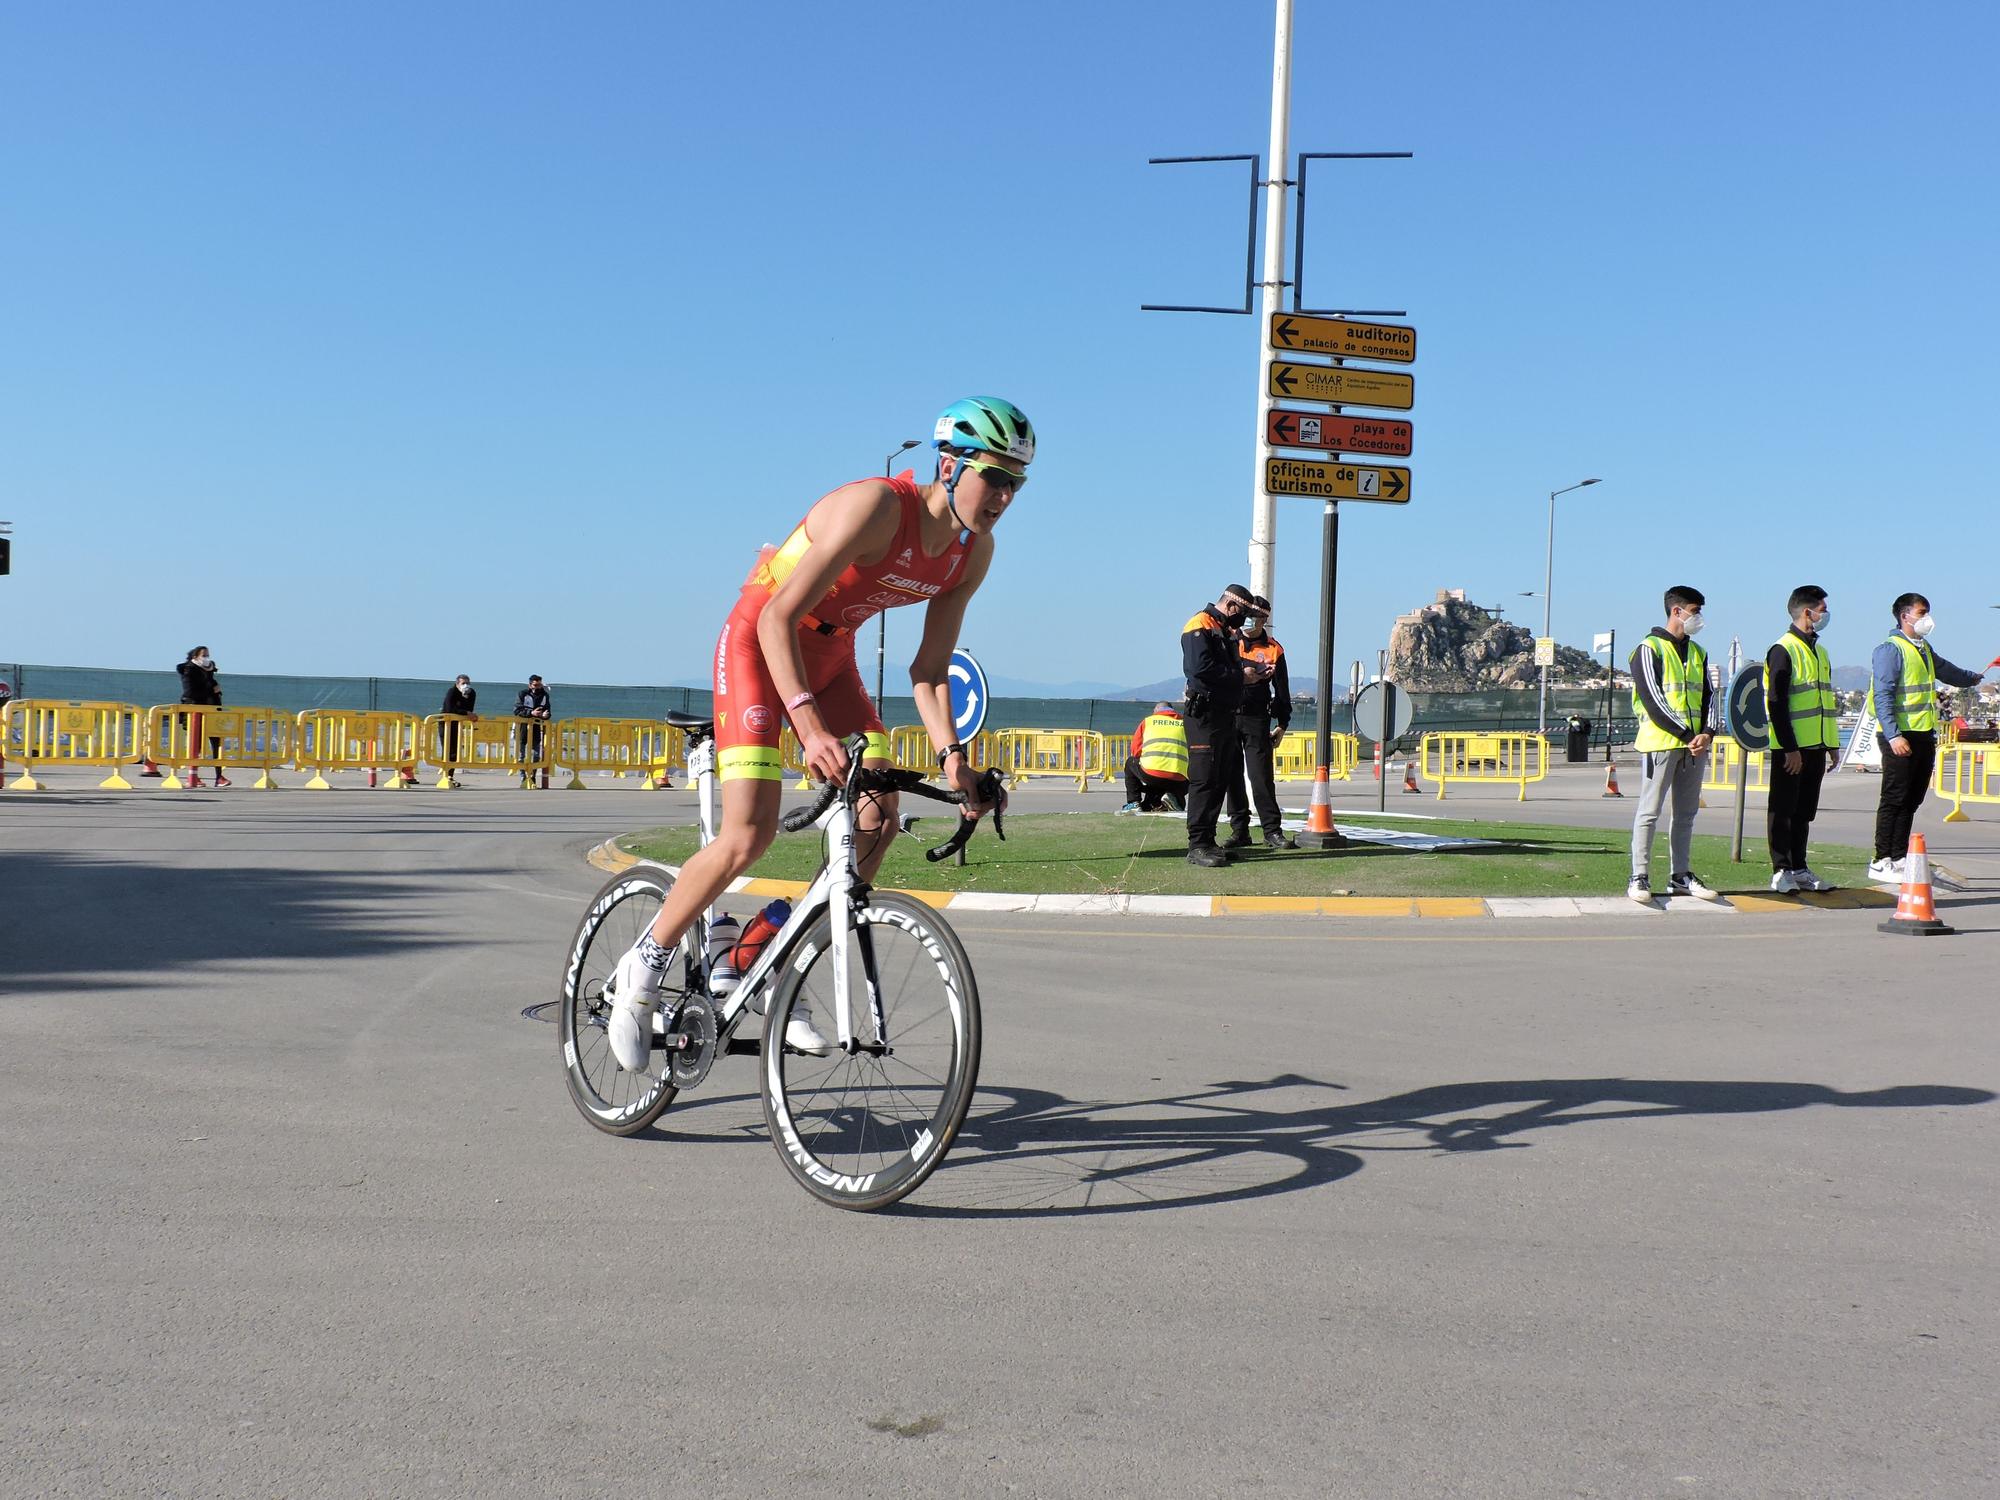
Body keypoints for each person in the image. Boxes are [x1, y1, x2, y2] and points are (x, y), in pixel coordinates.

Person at [602, 397, 1025, 1071]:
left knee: (879, 814)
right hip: (759, 645)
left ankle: (767, 951)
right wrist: (809, 728)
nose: (1004, 494)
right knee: (749, 834)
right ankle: (643, 966)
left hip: (830, 661)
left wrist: (954, 760)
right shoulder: (878, 508)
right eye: (994, 476)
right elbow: (775, 619)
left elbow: (930, 670)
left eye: (1016, 483)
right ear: (949, 465)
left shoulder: (974, 553)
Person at [1864, 592, 1991, 884]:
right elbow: (1883, 696)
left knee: (1912, 799)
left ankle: (1898, 857)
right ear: (1904, 616)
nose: (1927, 618)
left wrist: (1971, 677)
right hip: (1899, 735)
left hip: (1922, 734)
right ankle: (1881, 859)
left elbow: (1946, 670)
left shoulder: (1922, 648)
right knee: (1894, 798)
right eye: (1921, 613)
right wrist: (1894, 735)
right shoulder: (1890, 649)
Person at [1627, 587, 1722, 903]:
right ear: (1676, 611)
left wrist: (1707, 732)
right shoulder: (1648, 648)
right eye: (1695, 611)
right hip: (1662, 744)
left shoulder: (1698, 652)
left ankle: (1680, 875)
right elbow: (1653, 700)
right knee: (1649, 812)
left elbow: (1709, 696)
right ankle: (1639, 875)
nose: (1699, 618)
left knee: (1686, 813)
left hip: (1694, 748)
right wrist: (1687, 736)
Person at [1180, 584, 1267, 868]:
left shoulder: (1223, 630)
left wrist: (1253, 669)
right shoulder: (1200, 625)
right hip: (1205, 714)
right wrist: (1241, 676)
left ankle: (1208, 840)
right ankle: (1197, 845)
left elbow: (1226, 665)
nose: (1243, 620)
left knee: (1219, 778)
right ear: (1230, 606)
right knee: (1205, 778)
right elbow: (1201, 668)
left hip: (1223, 714)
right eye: (1242, 613)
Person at [1764, 586, 1839, 893]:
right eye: (1822, 609)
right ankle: (1781, 870)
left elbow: (1824, 701)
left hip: (1816, 747)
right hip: (1791, 749)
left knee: (1804, 812)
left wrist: (1831, 744)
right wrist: (1789, 748)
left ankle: (1800, 867)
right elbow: (1776, 703)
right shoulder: (1783, 649)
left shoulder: (1820, 651)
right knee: (1782, 810)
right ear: (1807, 612)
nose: (1825, 614)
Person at [1225, 592, 1296, 849]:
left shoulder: (1274, 649)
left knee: (1261, 777)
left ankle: (1272, 831)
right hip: (1229, 716)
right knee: (1232, 776)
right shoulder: (1229, 640)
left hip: (1257, 718)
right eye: (1246, 615)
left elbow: (1282, 689)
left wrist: (1282, 724)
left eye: (1255, 617)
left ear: (1264, 619)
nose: (1248, 621)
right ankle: (1239, 830)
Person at [1120, 702, 1188, 812]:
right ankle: (1172, 797)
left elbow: (1135, 751)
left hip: (1152, 774)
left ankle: (1134, 802)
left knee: (1130, 763)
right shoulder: (1185, 723)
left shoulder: (1148, 721)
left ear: (1156, 711)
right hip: (1179, 779)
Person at [176, 647, 228, 788]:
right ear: (195, 656)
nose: (206, 657)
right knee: (196, 745)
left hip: (212, 712)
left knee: (217, 744)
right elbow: (190, 692)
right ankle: (193, 776)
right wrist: (211, 689)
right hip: (195, 711)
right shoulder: (188, 670)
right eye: (203, 655)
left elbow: (213, 689)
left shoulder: (210, 670)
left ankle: (219, 777)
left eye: (208, 655)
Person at [514, 674, 552, 788]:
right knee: (521, 754)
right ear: (530, 685)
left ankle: (532, 776)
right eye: (535, 685)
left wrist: (545, 715)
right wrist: (531, 713)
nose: (538, 687)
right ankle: (523, 777)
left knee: (536, 754)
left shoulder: (544, 695)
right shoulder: (522, 694)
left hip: (536, 727)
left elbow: (548, 710)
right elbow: (517, 710)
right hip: (522, 726)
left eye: (539, 685)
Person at [440, 675, 478, 789]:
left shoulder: (471, 693)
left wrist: (465, 697)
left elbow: (470, 709)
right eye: (463, 683)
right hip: (445, 723)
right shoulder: (452, 692)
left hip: (457, 723)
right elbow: (449, 708)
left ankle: (450, 776)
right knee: (447, 749)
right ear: (457, 684)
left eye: (467, 683)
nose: (466, 685)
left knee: (455, 751)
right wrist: (465, 712)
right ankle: (445, 776)